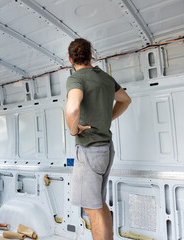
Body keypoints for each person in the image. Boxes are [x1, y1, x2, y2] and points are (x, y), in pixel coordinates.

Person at [65, 38, 131, 240]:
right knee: (99, 203)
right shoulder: (106, 78)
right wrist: (108, 116)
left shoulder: (76, 79)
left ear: (70, 59)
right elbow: (125, 100)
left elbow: (73, 107)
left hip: (89, 150)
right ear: (90, 55)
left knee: (91, 209)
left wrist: (73, 130)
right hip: (106, 149)